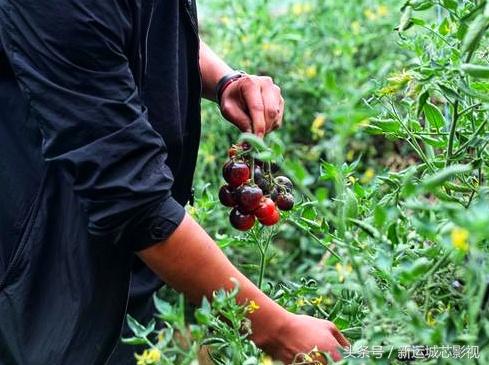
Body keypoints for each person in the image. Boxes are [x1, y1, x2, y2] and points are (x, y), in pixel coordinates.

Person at [0, 1, 348, 364]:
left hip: (129, 255)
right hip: (41, 277)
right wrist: (275, 329)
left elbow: (138, 27)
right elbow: (132, 200)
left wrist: (224, 79)